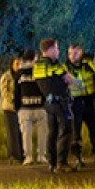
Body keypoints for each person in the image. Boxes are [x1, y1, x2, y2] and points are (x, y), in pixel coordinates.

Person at [32, 38, 75, 173]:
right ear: (50, 50)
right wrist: (66, 77)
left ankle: (52, 162)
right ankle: (62, 163)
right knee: (66, 129)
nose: (58, 51)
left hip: (48, 102)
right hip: (60, 102)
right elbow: (69, 79)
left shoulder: (37, 66)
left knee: (53, 132)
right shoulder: (55, 65)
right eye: (56, 48)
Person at [66, 43, 95, 168]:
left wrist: (93, 55)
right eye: (71, 53)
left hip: (90, 101)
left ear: (81, 53)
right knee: (75, 132)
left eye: (76, 53)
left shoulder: (89, 64)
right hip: (75, 103)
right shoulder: (66, 68)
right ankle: (77, 157)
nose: (73, 56)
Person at [15, 50, 48, 166]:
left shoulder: (19, 73)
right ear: (35, 58)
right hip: (40, 106)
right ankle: (41, 156)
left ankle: (28, 157)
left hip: (24, 107)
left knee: (26, 134)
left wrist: (17, 107)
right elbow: (45, 89)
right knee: (42, 133)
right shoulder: (39, 71)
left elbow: (16, 92)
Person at [0, 57, 23, 163]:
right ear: (12, 64)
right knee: (12, 132)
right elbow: (5, 92)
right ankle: (13, 155)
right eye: (17, 64)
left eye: (21, 64)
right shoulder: (6, 77)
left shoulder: (22, 76)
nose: (19, 66)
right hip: (10, 108)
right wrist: (14, 99)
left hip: (20, 107)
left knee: (21, 132)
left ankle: (21, 154)